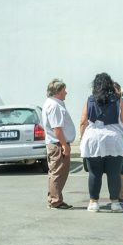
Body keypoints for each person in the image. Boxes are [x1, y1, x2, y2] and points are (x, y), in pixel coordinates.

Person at [78, 73, 123, 212]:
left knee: (94, 173)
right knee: (114, 173)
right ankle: (115, 202)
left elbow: (83, 121)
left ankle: (93, 202)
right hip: (113, 138)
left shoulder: (89, 100)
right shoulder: (117, 100)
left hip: (93, 138)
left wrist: (82, 138)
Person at [42, 79, 76, 209]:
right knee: (58, 172)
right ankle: (55, 200)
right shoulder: (54, 106)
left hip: (56, 143)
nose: (66, 92)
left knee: (56, 172)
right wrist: (64, 145)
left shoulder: (52, 103)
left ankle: (54, 199)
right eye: (64, 90)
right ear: (57, 92)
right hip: (57, 144)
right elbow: (57, 129)